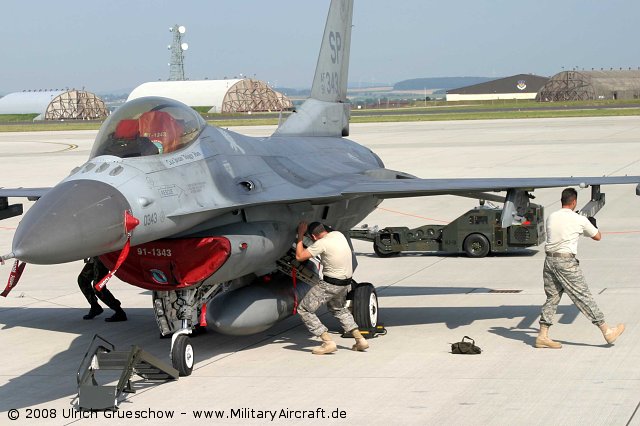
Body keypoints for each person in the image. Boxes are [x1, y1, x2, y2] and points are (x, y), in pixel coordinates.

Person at [536, 188, 624, 349]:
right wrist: (591, 223)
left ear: (562, 200)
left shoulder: (552, 217)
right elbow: (597, 236)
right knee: (583, 296)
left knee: (552, 298)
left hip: (549, 261)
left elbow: (564, 231)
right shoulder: (579, 220)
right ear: (574, 201)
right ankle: (607, 331)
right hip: (566, 263)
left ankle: (542, 335)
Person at [295, 221, 369, 355]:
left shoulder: (321, 243)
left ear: (314, 236)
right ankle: (360, 340)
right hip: (345, 283)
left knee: (304, 309)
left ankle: (327, 342)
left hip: (330, 284)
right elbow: (327, 229)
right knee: (338, 309)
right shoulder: (338, 235)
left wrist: (300, 234)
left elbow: (299, 256)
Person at [78, 257, 127, 322]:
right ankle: (95, 307)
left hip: (104, 255)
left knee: (98, 287)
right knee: (83, 280)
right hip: (96, 255)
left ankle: (119, 312)